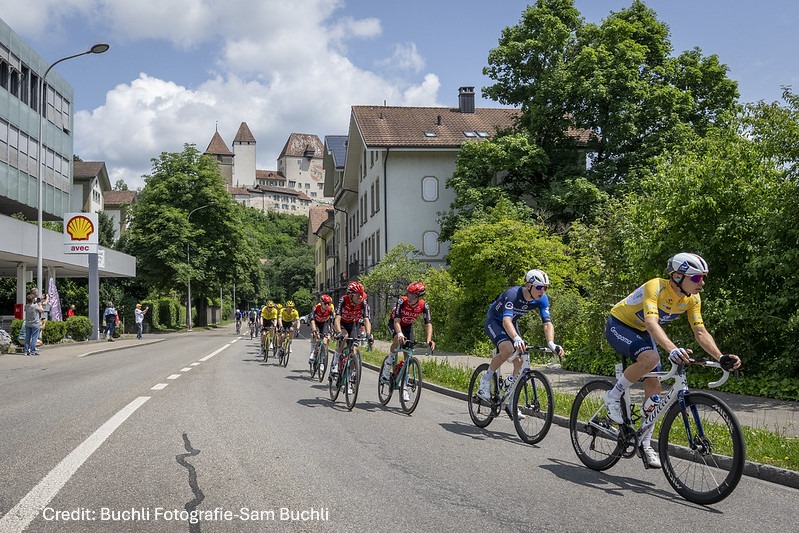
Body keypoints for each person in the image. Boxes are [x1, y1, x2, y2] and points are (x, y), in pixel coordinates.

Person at [603, 253, 742, 469]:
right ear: (677, 276)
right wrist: (672, 349)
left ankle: (645, 442)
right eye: (696, 278)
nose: (702, 283)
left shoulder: (692, 299)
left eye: (703, 277)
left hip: (642, 331)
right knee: (651, 358)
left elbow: (700, 332)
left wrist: (721, 356)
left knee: (654, 386)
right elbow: (651, 322)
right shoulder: (656, 287)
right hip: (620, 324)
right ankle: (613, 396)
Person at [477, 269, 565, 419]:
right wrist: (516, 338)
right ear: (528, 285)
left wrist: (551, 343)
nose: (542, 291)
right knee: (508, 348)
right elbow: (506, 321)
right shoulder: (512, 294)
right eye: (539, 287)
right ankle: (485, 381)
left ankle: (511, 402)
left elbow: (547, 323)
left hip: (512, 323)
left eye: (545, 287)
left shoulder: (542, 299)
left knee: (520, 361)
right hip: (495, 321)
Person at [382, 282, 435, 401]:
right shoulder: (402, 301)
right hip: (395, 323)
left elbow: (428, 324)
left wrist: (429, 340)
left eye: (412, 296)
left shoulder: (424, 305)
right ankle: (388, 363)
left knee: (408, 356)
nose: (409, 298)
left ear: (419, 297)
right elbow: (396, 321)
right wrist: (400, 333)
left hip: (408, 326)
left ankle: (404, 387)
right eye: (408, 294)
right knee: (397, 339)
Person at [330, 281, 372, 379]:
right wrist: (339, 332)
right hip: (342, 323)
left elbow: (366, 320)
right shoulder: (343, 300)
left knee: (355, 350)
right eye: (357, 295)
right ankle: (335, 362)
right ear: (350, 295)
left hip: (353, 324)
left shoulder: (363, 303)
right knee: (344, 336)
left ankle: (350, 374)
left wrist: (369, 334)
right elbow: (337, 318)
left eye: (361, 294)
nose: (360, 297)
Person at [308, 294, 335, 369]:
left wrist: (334, 331)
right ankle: (312, 352)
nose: (327, 305)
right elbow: (312, 320)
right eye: (325, 303)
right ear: (321, 303)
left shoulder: (330, 309)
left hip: (324, 323)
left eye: (328, 303)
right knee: (316, 336)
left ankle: (322, 360)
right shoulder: (316, 307)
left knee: (326, 340)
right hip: (316, 323)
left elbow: (333, 321)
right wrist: (314, 331)